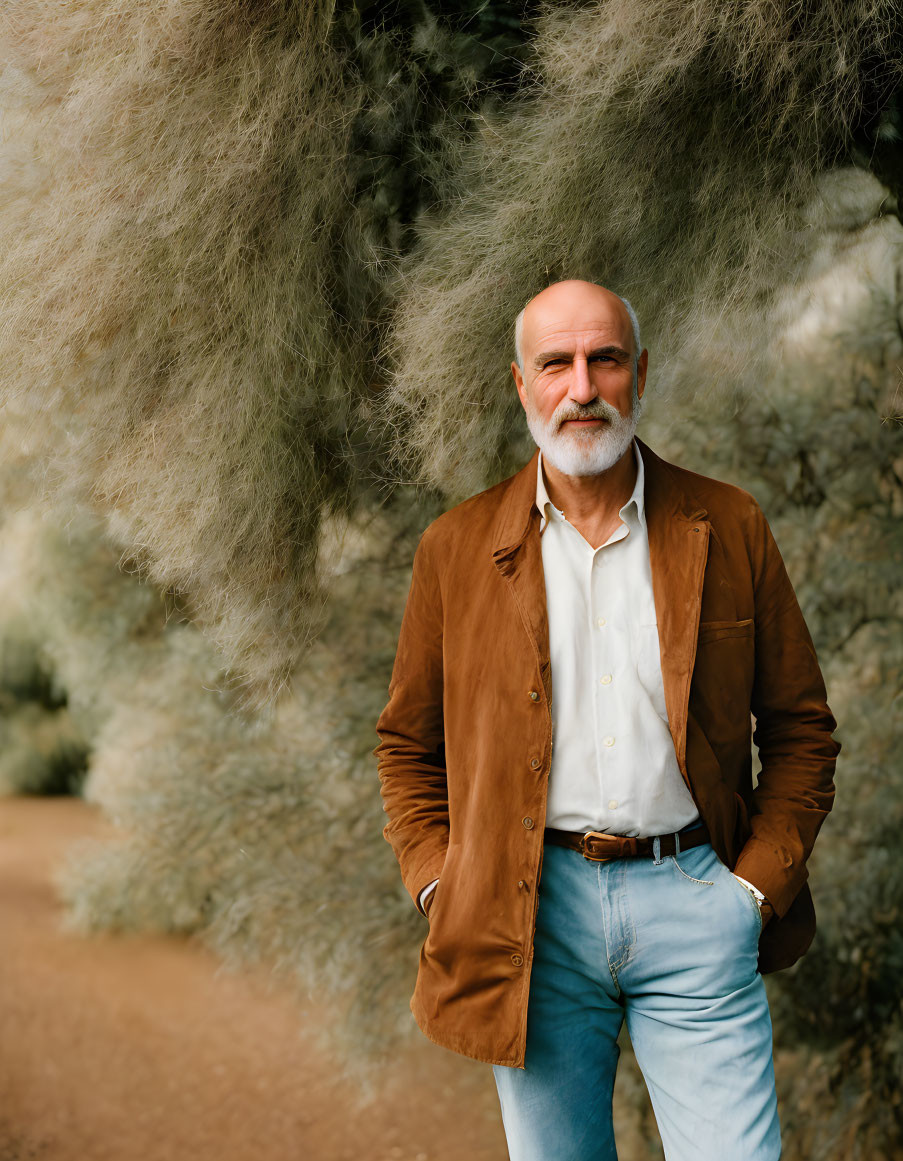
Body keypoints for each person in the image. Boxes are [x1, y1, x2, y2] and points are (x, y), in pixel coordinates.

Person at [373, 279, 840, 1161]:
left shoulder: (727, 523)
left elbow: (800, 729)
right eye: (556, 363)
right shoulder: (456, 548)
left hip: (698, 901)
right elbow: (406, 744)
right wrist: (442, 885)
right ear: (521, 384)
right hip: (527, 921)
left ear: (639, 373)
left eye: (604, 359)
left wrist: (748, 894)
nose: (580, 387)